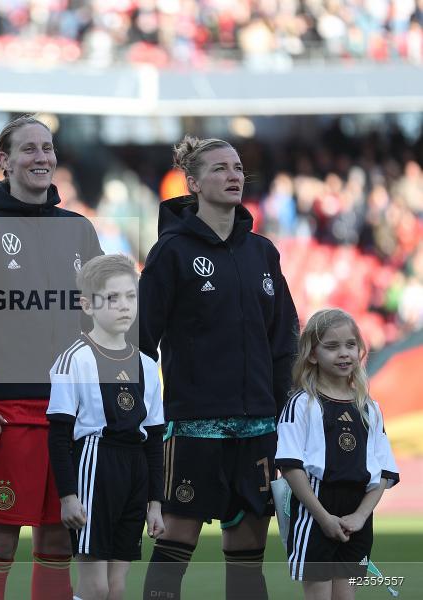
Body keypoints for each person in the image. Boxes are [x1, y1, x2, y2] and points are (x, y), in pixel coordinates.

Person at [0, 114, 103, 600]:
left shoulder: (79, 229)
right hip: (8, 411)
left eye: (47, 148)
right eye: (29, 148)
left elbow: (100, 321)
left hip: (71, 412)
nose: (41, 157)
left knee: (58, 539)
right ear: (5, 160)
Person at [139, 135, 299, 600]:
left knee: (248, 555)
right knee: (174, 546)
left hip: (258, 429)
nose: (234, 176)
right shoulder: (170, 252)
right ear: (193, 182)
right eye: (220, 168)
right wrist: (144, 418)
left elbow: (284, 342)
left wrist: (287, 416)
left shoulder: (263, 252)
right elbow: (142, 344)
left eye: (238, 168)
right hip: (193, 427)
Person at [47, 254, 165, 600]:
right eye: (112, 298)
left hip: (135, 470)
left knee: (116, 587)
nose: (124, 306)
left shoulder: (147, 365)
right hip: (95, 465)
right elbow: (59, 435)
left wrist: (155, 503)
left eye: (130, 296)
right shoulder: (75, 358)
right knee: (95, 586)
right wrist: (68, 496)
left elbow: (154, 438)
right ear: (88, 305)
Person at [276, 309, 399, 600]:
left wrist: (360, 516)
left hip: (358, 516)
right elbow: (290, 467)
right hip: (314, 512)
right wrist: (323, 517)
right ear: (312, 354)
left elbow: (383, 470)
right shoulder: (302, 404)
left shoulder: (369, 407)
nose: (344, 353)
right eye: (332, 346)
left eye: (350, 345)